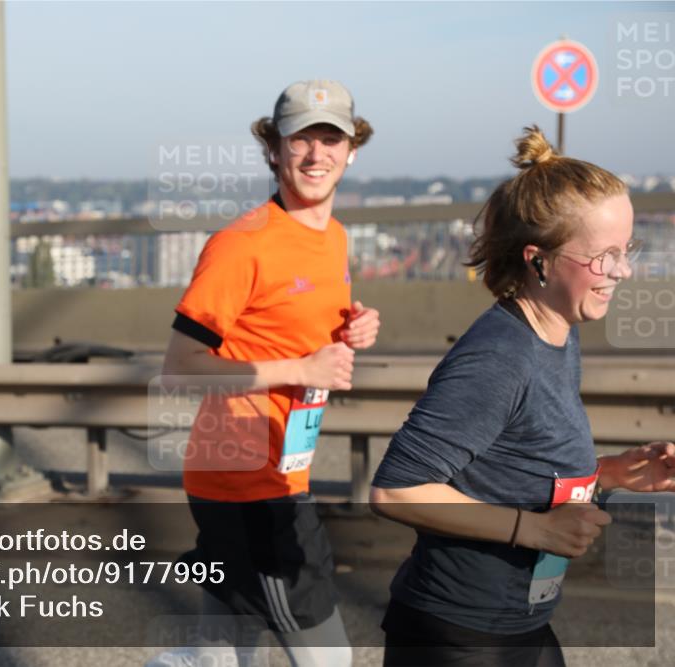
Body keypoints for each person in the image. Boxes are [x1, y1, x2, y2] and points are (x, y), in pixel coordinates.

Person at [369, 125, 675, 666]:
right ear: (539, 261)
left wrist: (609, 473)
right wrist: (533, 529)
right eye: (604, 256)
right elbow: (397, 490)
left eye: (626, 249)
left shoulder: (557, 332)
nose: (622, 271)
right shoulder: (499, 357)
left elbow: (508, 464)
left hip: (517, 626)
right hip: (457, 638)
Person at [148, 79, 380, 667]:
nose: (316, 154)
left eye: (331, 139)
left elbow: (291, 321)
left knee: (224, 656)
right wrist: (303, 366)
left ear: (352, 150)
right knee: (329, 659)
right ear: (273, 149)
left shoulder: (334, 237)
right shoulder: (240, 245)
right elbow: (180, 369)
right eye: (300, 138)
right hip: (247, 481)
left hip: (284, 469)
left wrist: (351, 329)